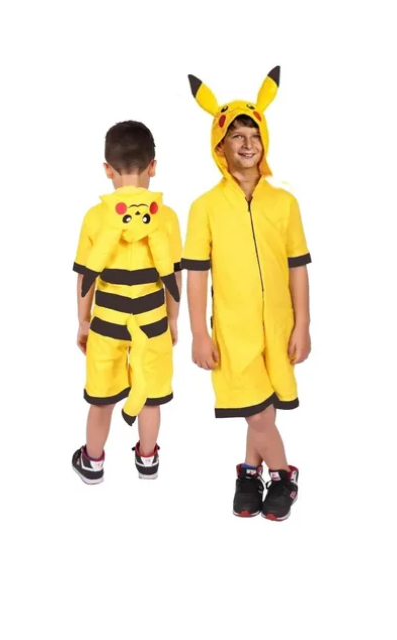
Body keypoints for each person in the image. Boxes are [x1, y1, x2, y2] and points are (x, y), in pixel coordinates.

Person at [182, 67, 311, 521]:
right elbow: (195, 275)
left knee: (264, 409)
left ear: (265, 140)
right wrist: (199, 333)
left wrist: (303, 324)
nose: (247, 143)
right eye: (236, 135)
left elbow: (297, 267)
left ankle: (248, 474)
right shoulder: (204, 208)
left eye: (254, 134)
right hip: (232, 332)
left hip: (279, 327)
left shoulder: (285, 203)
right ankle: (283, 475)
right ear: (220, 146)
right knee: (256, 413)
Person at [72, 121, 182, 484]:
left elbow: (85, 277)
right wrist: (173, 320)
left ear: (108, 169)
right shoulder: (166, 217)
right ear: (153, 166)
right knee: (150, 393)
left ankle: (92, 461)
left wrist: (83, 321)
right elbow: (174, 275)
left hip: (107, 320)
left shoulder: (95, 217)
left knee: (101, 397)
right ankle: (147, 459)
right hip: (152, 319)